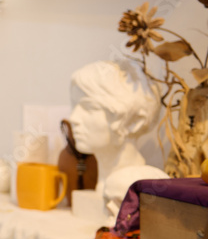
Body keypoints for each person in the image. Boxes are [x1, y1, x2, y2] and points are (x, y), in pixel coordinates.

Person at [67, 59, 166, 212]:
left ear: (134, 122)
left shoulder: (139, 187)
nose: (73, 118)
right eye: (75, 106)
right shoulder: (98, 190)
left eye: (89, 107)